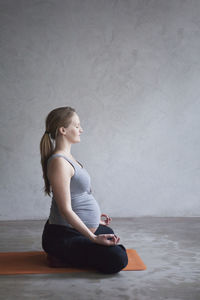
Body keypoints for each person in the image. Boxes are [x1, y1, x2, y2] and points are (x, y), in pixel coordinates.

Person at [40, 106, 128, 274]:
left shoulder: (68, 158)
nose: (81, 129)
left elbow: (76, 196)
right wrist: (93, 237)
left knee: (108, 233)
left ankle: (71, 252)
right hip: (61, 235)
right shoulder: (59, 162)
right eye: (77, 125)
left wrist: (94, 222)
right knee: (118, 258)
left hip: (71, 230)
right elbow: (65, 210)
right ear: (63, 130)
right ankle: (58, 256)